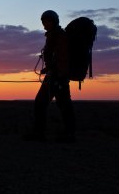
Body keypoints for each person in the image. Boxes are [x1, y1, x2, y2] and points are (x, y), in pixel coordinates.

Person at [27, 10, 75, 143]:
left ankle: (39, 134)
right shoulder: (54, 35)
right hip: (57, 76)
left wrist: (58, 74)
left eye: (46, 22)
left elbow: (62, 57)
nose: (44, 25)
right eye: (43, 22)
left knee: (41, 103)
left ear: (53, 21)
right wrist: (48, 69)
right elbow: (55, 58)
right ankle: (69, 134)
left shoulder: (59, 36)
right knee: (64, 104)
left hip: (57, 77)